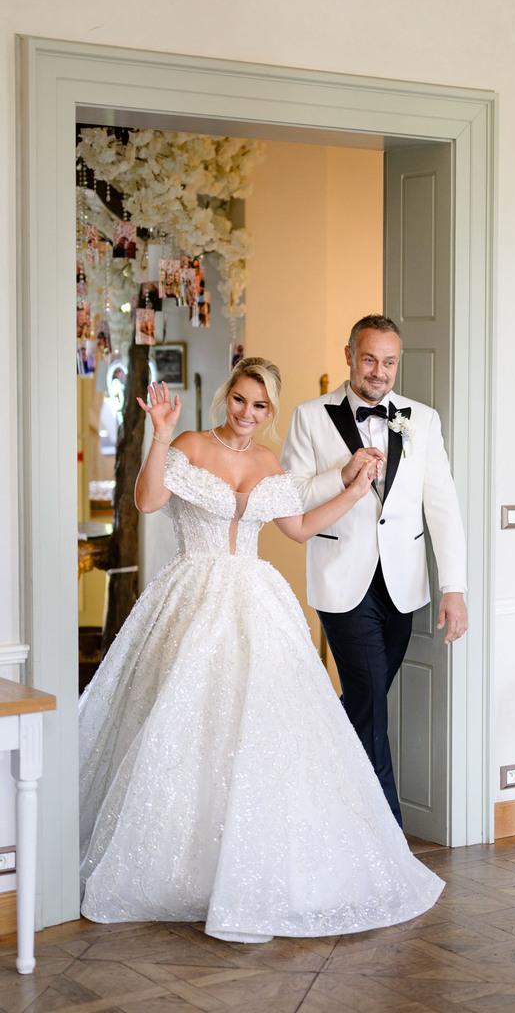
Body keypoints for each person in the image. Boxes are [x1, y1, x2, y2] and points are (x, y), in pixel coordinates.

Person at [79, 357, 444, 943]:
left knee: (262, 732)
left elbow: (297, 530)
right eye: (241, 400)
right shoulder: (193, 444)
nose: (248, 414)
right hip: (192, 594)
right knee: (185, 726)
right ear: (228, 396)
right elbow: (148, 501)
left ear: (271, 412)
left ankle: (249, 864)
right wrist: (162, 435)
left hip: (255, 598)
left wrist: (353, 492)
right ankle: (180, 868)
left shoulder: (269, 462)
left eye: (261, 406)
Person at [281, 316, 468, 827]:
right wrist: (339, 476)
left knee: (366, 701)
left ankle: (315, 798)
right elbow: (289, 495)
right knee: (372, 703)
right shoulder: (310, 416)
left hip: (403, 586)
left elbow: (443, 507)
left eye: (389, 362)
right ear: (348, 355)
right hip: (342, 579)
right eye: (369, 359)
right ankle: (386, 830)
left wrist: (454, 588)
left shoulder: (421, 419)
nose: (378, 372)